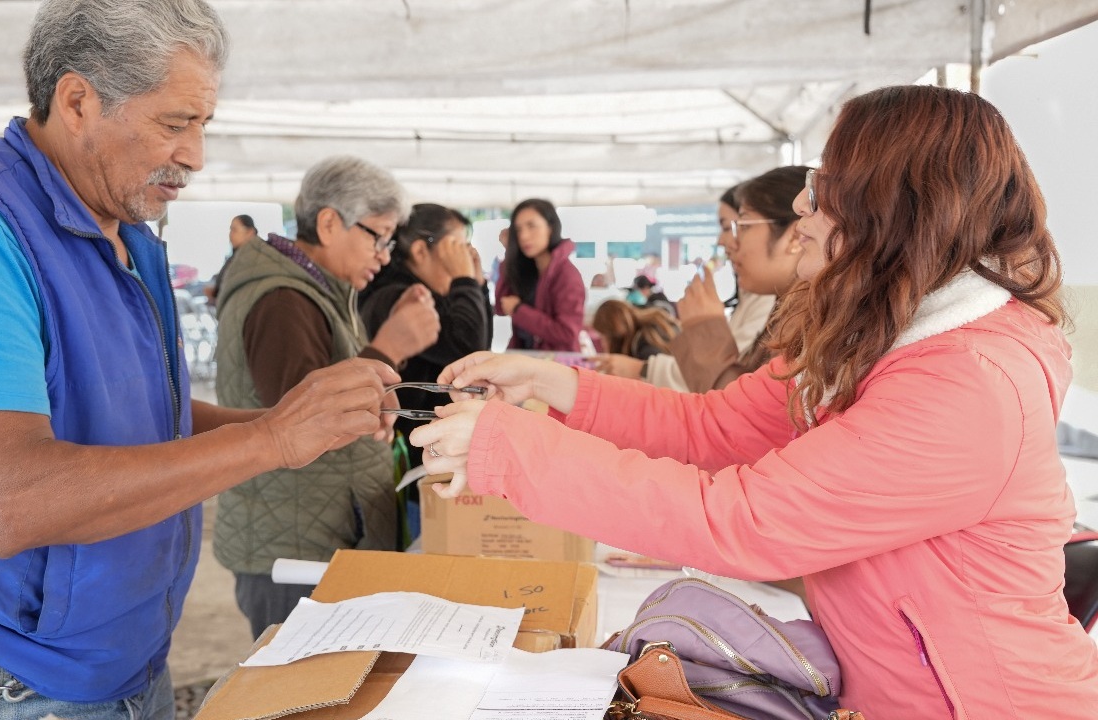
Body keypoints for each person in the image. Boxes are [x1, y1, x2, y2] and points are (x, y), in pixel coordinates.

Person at [412, 85, 1098, 718]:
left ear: (893, 210)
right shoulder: (877, 342)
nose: (803, 206)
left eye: (826, 188)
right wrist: (552, 383)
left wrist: (510, 449)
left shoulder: (966, 386)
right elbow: (715, 427)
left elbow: (742, 521)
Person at [0, 2, 398, 717]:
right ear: (77, 100)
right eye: (176, 123)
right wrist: (267, 440)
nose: (196, 155)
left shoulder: (125, 234)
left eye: (203, 125)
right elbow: (14, 500)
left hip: (125, 662)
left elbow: (140, 412)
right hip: (0, 684)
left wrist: (291, 423)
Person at [212, 156, 440, 639]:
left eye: (389, 240)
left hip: (316, 529)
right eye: (376, 236)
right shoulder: (282, 300)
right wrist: (391, 346)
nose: (383, 253)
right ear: (330, 222)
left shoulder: (317, 290)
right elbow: (303, 420)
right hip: (293, 545)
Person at [595, 183, 776, 389]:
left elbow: (736, 391)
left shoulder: (771, 304)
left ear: (792, 238)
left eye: (738, 227)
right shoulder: (758, 299)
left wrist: (706, 327)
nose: (723, 241)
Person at [360, 203, 492, 472]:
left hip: (427, 445)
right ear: (420, 251)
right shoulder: (400, 296)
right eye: (456, 247)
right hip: (408, 453)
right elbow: (468, 348)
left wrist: (476, 285)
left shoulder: (434, 293)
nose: (465, 256)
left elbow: (481, 355)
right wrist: (465, 280)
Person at [495, 198, 585, 352]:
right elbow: (501, 307)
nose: (524, 236)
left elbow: (567, 333)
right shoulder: (527, 267)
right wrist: (510, 253)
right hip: (525, 360)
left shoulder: (566, 274)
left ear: (550, 228)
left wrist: (519, 310)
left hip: (556, 366)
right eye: (518, 230)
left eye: (532, 226)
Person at [590, 299, 677, 360]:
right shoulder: (654, 323)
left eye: (603, 337)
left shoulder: (645, 349)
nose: (602, 343)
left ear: (613, 336)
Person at [204, 213, 258, 305]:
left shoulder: (254, 258)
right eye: (230, 230)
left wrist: (215, 292)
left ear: (250, 232)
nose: (230, 234)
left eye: (234, 230)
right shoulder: (236, 256)